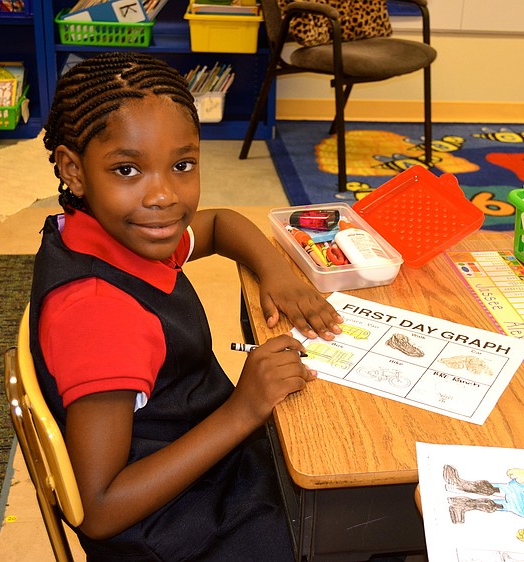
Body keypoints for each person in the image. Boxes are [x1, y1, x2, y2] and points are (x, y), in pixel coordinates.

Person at [29, 51, 343, 561]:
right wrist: (243, 412)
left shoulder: (115, 232)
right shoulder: (101, 315)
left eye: (182, 165)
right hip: (176, 529)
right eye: (127, 169)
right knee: (352, 517)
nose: (164, 195)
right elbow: (101, 508)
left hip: (197, 457)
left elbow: (220, 225)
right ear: (73, 170)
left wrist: (278, 272)